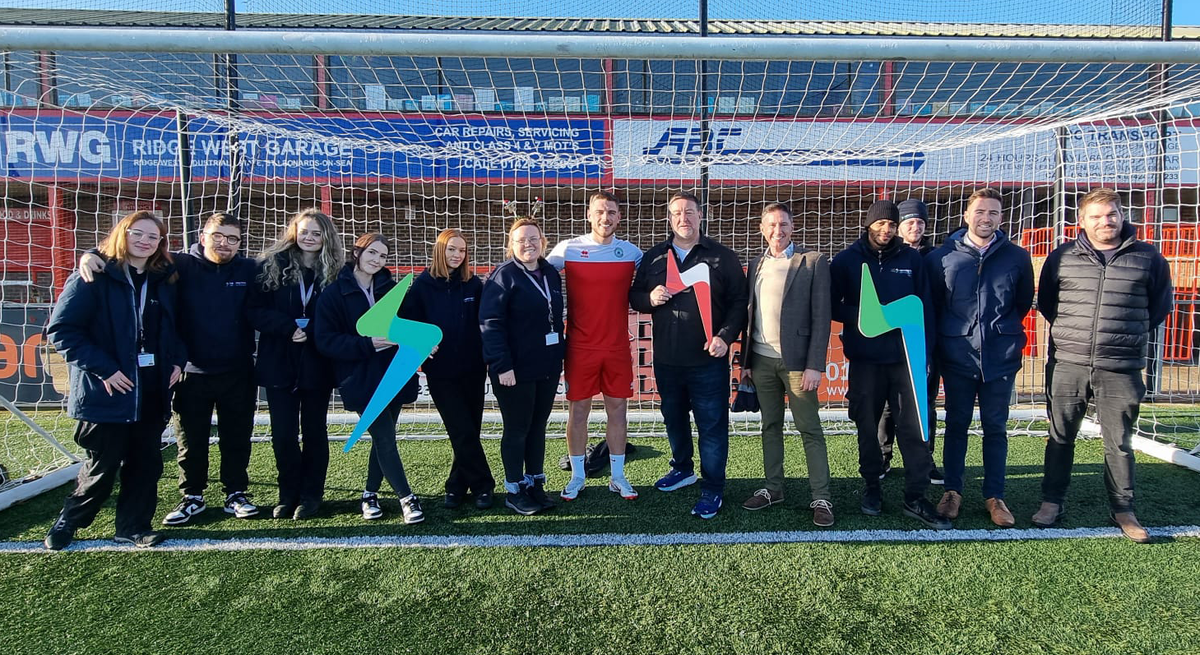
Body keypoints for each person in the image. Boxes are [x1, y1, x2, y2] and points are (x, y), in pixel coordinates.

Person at [80, 212, 261, 526]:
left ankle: (236, 493)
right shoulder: (179, 264)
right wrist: (92, 254)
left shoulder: (248, 268)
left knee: (238, 437)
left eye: (233, 238)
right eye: (218, 235)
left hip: (238, 371)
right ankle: (192, 496)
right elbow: (131, 254)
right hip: (189, 372)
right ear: (202, 236)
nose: (225, 243)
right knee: (191, 440)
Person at [1033, 188, 1172, 542]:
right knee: (1060, 436)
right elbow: (1049, 303)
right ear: (1081, 222)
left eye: (1110, 214)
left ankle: (1123, 508)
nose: (1104, 222)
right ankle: (1052, 501)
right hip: (1069, 362)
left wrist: (1121, 337)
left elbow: (1157, 308)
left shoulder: (1148, 258)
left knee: (1120, 441)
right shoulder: (1062, 257)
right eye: (1095, 216)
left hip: (1121, 367)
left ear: (1121, 216)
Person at [44, 210, 185, 550]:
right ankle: (69, 521)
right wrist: (104, 369)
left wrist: (178, 359)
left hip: (151, 389)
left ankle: (133, 527)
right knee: (101, 467)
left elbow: (175, 327)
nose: (145, 241)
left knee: (145, 464)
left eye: (153, 237)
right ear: (123, 233)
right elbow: (61, 331)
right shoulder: (93, 276)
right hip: (107, 389)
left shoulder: (164, 278)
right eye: (138, 233)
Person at [830, 199, 951, 530]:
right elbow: (831, 305)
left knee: (914, 429)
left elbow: (925, 308)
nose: (886, 230)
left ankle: (916, 495)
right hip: (866, 361)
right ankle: (871, 488)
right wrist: (864, 316)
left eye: (891, 225)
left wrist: (925, 354)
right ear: (868, 226)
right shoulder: (845, 261)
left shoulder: (912, 259)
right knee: (867, 427)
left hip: (904, 360)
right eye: (880, 224)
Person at [629, 191, 748, 519]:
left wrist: (725, 337)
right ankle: (682, 468)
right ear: (669, 219)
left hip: (708, 362)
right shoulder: (654, 257)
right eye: (677, 214)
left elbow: (740, 303)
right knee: (674, 419)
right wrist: (649, 298)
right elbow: (634, 296)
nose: (684, 219)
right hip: (667, 360)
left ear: (700, 216)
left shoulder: (722, 257)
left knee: (711, 426)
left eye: (690, 213)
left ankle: (712, 489)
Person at [925, 188, 1034, 527]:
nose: (986, 218)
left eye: (994, 213)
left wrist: (1000, 335)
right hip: (957, 356)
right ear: (966, 216)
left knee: (995, 428)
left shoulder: (1016, 257)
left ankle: (995, 496)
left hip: (1001, 357)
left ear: (1001, 218)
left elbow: (1021, 303)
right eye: (980, 212)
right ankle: (952, 492)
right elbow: (936, 307)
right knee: (956, 425)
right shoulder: (941, 257)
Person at [316, 233, 425, 524]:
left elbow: (406, 326)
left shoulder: (392, 289)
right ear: (357, 252)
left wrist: (422, 340)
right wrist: (368, 344)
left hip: (394, 372)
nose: (377, 260)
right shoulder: (334, 294)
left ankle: (369, 495)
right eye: (372, 253)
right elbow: (325, 341)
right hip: (361, 378)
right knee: (385, 438)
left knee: (383, 439)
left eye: (383, 256)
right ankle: (407, 498)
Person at [738, 202, 835, 526]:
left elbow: (822, 317)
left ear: (792, 228)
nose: (777, 231)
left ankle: (821, 496)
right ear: (762, 229)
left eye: (783, 225)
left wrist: (814, 365)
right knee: (770, 426)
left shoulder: (813, 261)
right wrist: (747, 361)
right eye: (771, 225)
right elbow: (749, 316)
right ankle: (773, 488)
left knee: (809, 429)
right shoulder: (755, 263)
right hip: (762, 362)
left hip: (797, 365)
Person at [546, 191, 643, 502]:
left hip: (616, 347)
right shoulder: (569, 249)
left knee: (618, 411)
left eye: (612, 212)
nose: (606, 217)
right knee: (578, 412)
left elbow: (660, 278)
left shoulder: (631, 253)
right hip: (580, 347)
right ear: (589, 215)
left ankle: (617, 476)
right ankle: (578, 476)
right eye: (600, 211)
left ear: (619, 217)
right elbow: (534, 275)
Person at [249, 208, 343, 520]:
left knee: (315, 431)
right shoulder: (270, 265)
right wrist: (287, 327)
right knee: (283, 435)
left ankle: (312, 495)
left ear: (326, 237)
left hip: (317, 363)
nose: (310, 238)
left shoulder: (337, 271)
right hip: (280, 362)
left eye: (317, 233)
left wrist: (314, 329)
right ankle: (287, 493)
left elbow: (342, 315)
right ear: (294, 232)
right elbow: (254, 310)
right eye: (305, 231)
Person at [400, 228, 494, 510]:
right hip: (441, 372)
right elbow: (407, 325)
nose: (457, 255)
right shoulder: (422, 286)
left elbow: (485, 322)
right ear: (440, 251)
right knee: (460, 429)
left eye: (462, 251)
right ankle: (483, 486)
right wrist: (422, 344)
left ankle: (456, 487)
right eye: (452, 249)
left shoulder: (474, 284)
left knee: (469, 430)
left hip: (474, 369)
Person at [480, 217, 566, 516]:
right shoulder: (503, 277)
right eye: (520, 240)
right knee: (517, 429)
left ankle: (535, 483)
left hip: (546, 366)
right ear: (511, 246)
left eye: (533, 238)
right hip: (513, 369)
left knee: (538, 427)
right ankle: (514, 489)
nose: (527, 244)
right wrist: (502, 365)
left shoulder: (551, 274)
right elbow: (490, 324)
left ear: (543, 242)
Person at [878, 199, 944, 485]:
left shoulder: (938, 257)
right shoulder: (886, 257)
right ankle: (883, 456)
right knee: (888, 405)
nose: (915, 227)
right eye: (909, 222)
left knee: (925, 404)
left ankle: (924, 461)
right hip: (892, 344)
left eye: (920, 222)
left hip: (927, 343)